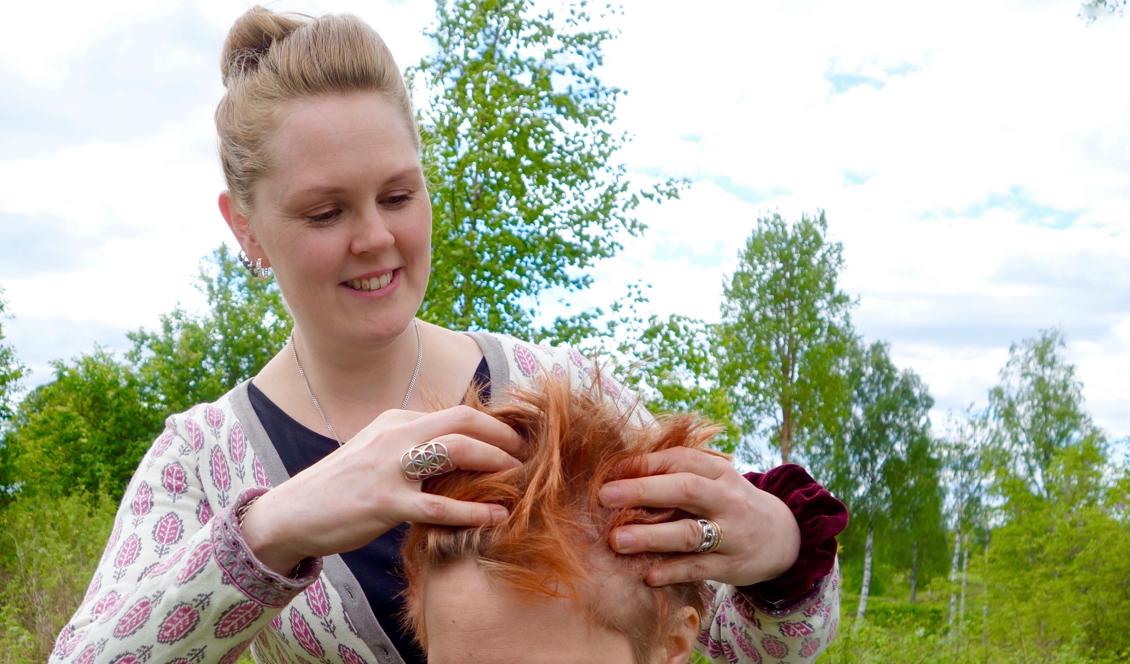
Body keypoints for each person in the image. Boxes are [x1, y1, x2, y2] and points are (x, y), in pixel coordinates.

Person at [50, 7, 847, 664]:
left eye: (398, 195)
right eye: (326, 212)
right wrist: (277, 528)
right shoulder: (204, 462)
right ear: (244, 225)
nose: (375, 239)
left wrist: (780, 548)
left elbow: (735, 648)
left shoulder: (560, 391)